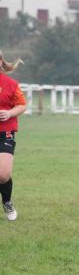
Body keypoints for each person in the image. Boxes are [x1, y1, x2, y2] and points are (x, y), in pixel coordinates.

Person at [0, 51, 26, 221]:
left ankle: (7, 201)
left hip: (5, 132)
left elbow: (22, 105)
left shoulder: (11, 84)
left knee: (3, 174)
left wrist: (9, 113)